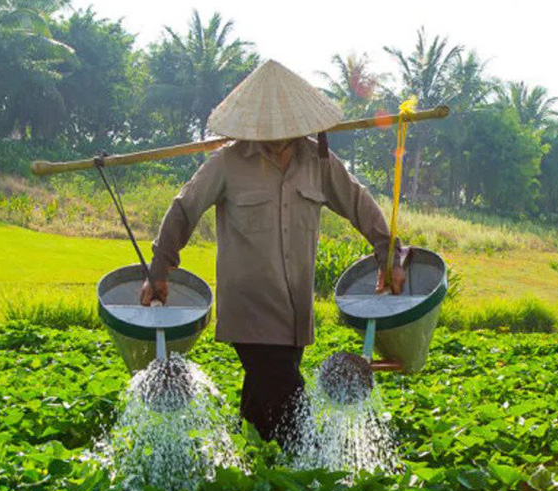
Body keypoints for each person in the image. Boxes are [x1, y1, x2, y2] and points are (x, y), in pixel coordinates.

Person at [141, 60, 405, 450]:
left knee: (264, 398)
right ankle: (312, 465)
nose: (276, 139)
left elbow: (358, 202)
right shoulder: (227, 163)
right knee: (288, 399)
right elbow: (185, 209)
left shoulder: (318, 162)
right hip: (250, 305)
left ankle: (249, 462)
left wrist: (388, 254)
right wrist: (159, 267)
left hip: (295, 309)